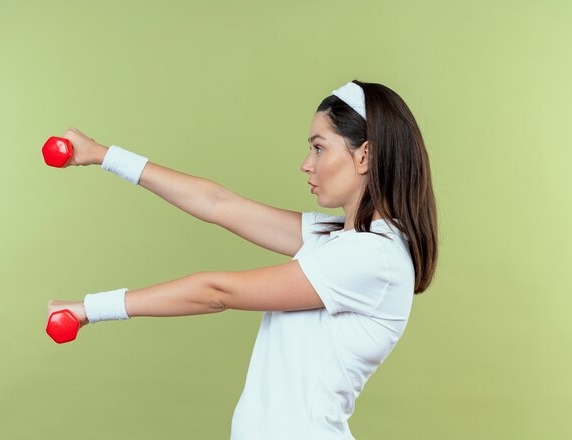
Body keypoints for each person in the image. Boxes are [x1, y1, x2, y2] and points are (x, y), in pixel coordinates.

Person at [46, 79, 438, 440]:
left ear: (365, 155)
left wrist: (89, 309)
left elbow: (217, 291)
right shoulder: (336, 238)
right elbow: (217, 203)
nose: (306, 163)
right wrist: (102, 155)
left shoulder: (372, 256)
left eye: (319, 147)